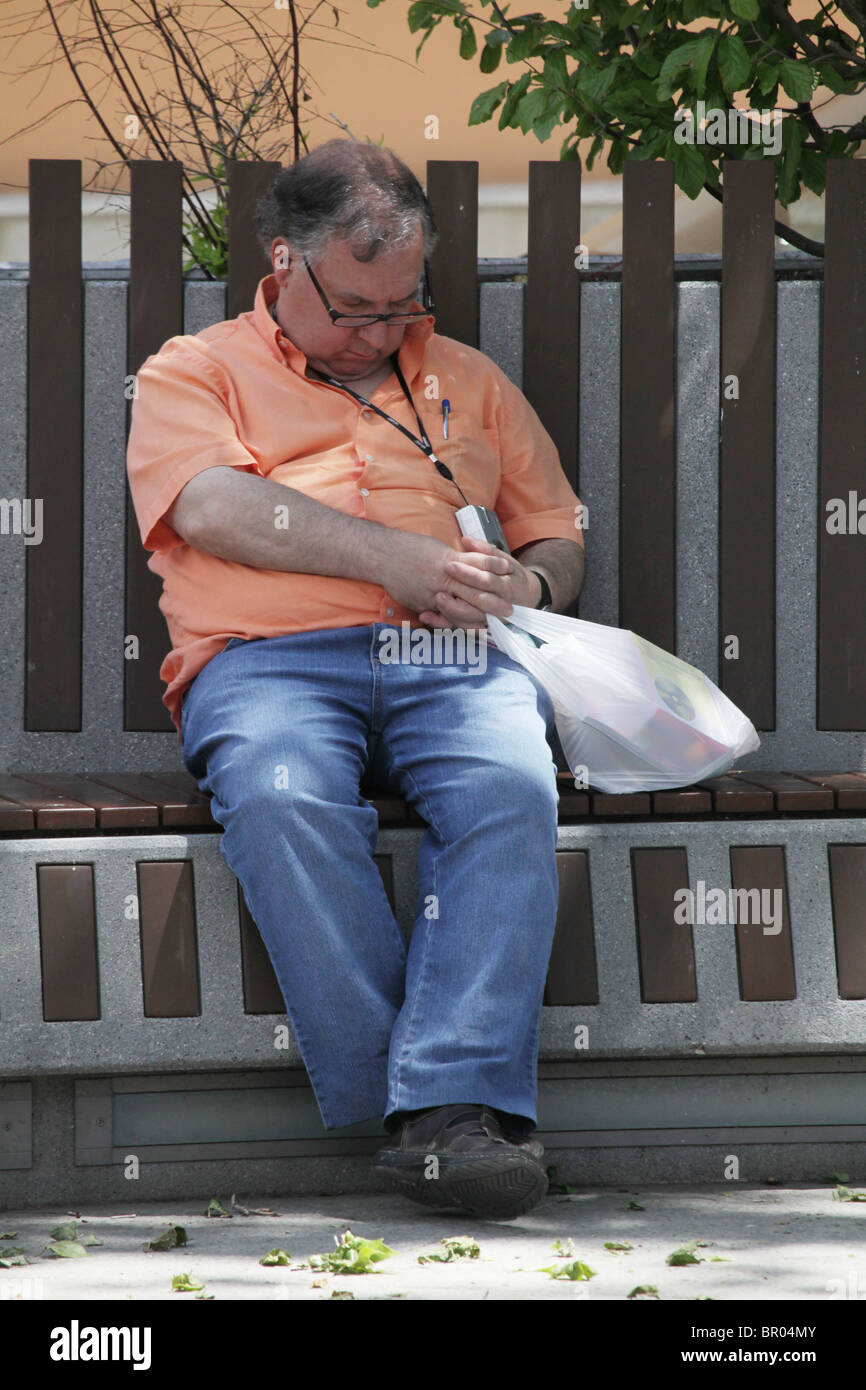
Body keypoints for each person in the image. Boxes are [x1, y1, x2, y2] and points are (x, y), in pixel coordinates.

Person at [126, 138, 585, 1220]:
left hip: (454, 661)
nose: (382, 331)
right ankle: (444, 1109)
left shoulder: (465, 377)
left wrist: (526, 586)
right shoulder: (194, 369)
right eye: (354, 309)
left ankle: (438, 1111)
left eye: (402, 304)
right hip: (265, 663)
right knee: (282, 798)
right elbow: (210, 507)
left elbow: (557, 530)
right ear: (283, 263)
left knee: (512, 788)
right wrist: (397, 560)